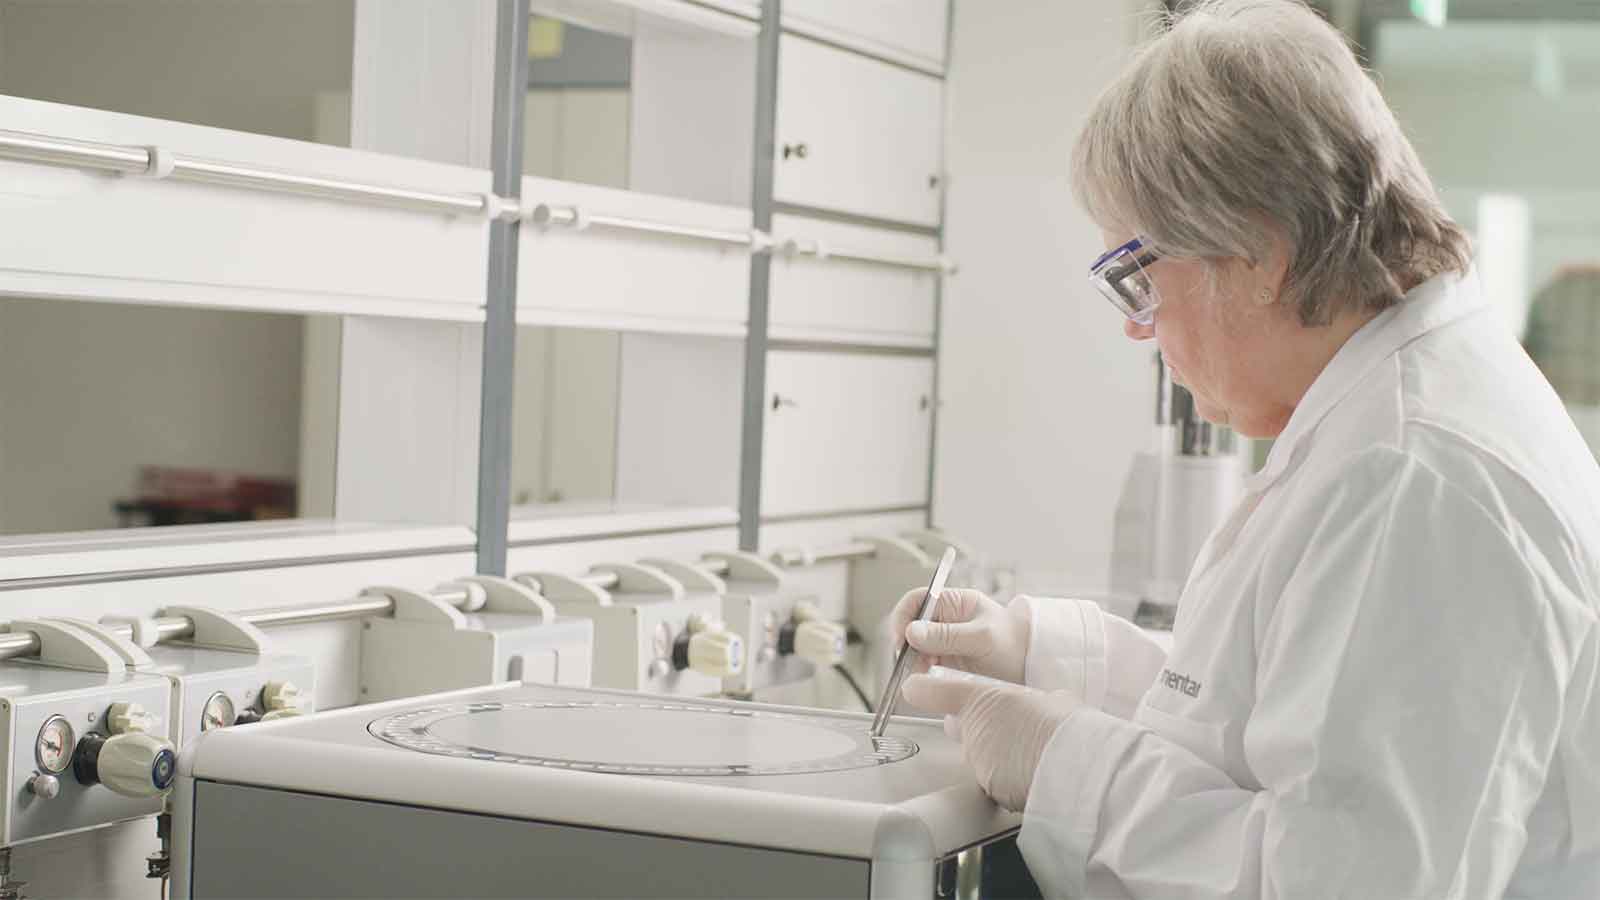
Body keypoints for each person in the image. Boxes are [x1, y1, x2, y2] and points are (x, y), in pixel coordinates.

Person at [893, 1, 1600, 897]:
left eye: (1137, 276)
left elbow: (1342, 881)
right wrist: (1039, 650)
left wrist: (1063, 762)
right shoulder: (1386, 418)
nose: (1137, 326)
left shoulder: (1414, 476)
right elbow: (1284, 717)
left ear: (1259, 251)